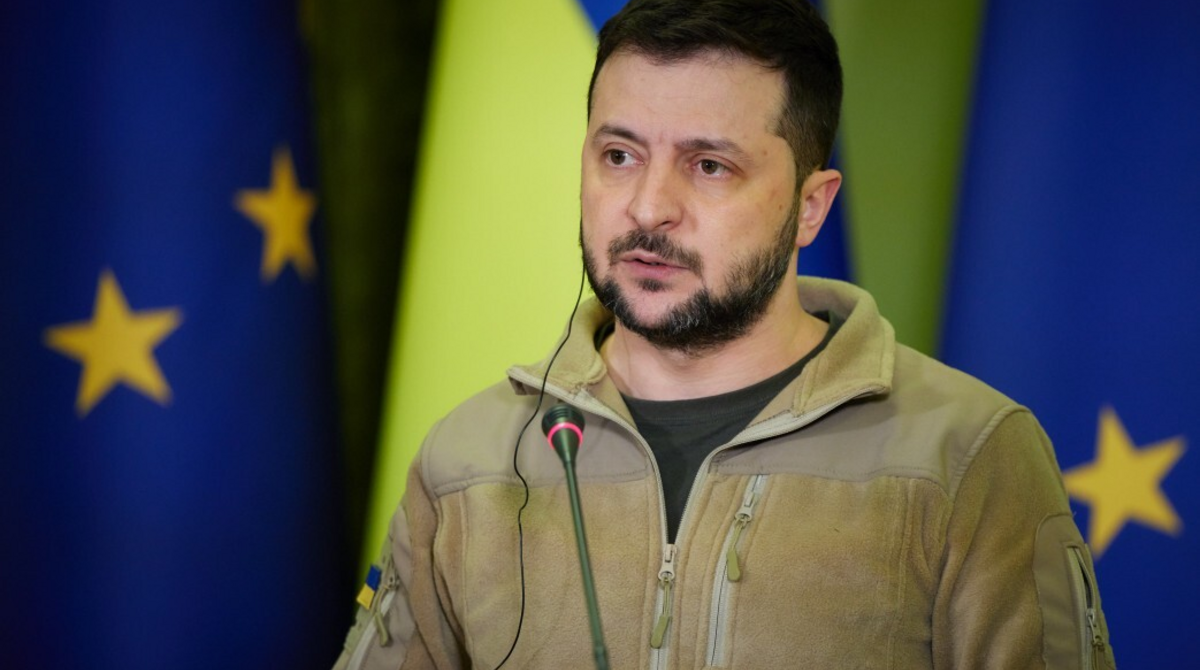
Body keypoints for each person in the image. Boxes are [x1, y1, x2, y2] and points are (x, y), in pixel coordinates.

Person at [334, 0, 1116, 668]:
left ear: (810, 206)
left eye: (709, 166)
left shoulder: (968, 457)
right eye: (618, 155)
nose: (648, 208)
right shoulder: (466, 464)